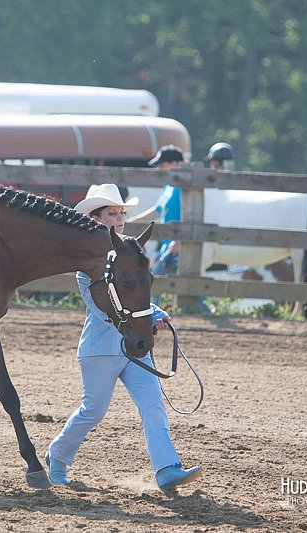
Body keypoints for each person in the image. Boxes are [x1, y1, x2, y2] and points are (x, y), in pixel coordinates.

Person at [46, 183, 202, 490]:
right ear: (96, 219)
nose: (119, 218)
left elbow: (139, 293)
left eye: (121, 213)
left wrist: (152, 312)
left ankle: (168, 469)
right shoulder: (87, 264)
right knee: (93, 412)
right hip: (101, 348)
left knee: (153, 404)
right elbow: (102, 305)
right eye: (111, 213)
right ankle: (57, 457)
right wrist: (151, 315)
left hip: (135, 346)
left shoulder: (132, 254)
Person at [127, 145, 184, 275]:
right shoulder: (168, 186)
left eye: (162, 164)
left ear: (174, 164)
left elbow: (187, 215)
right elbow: (157, 210)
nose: (160, 168)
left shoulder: (182, 188)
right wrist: (134, 221)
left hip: (177, 244)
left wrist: (177, 242)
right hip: (167, 243)